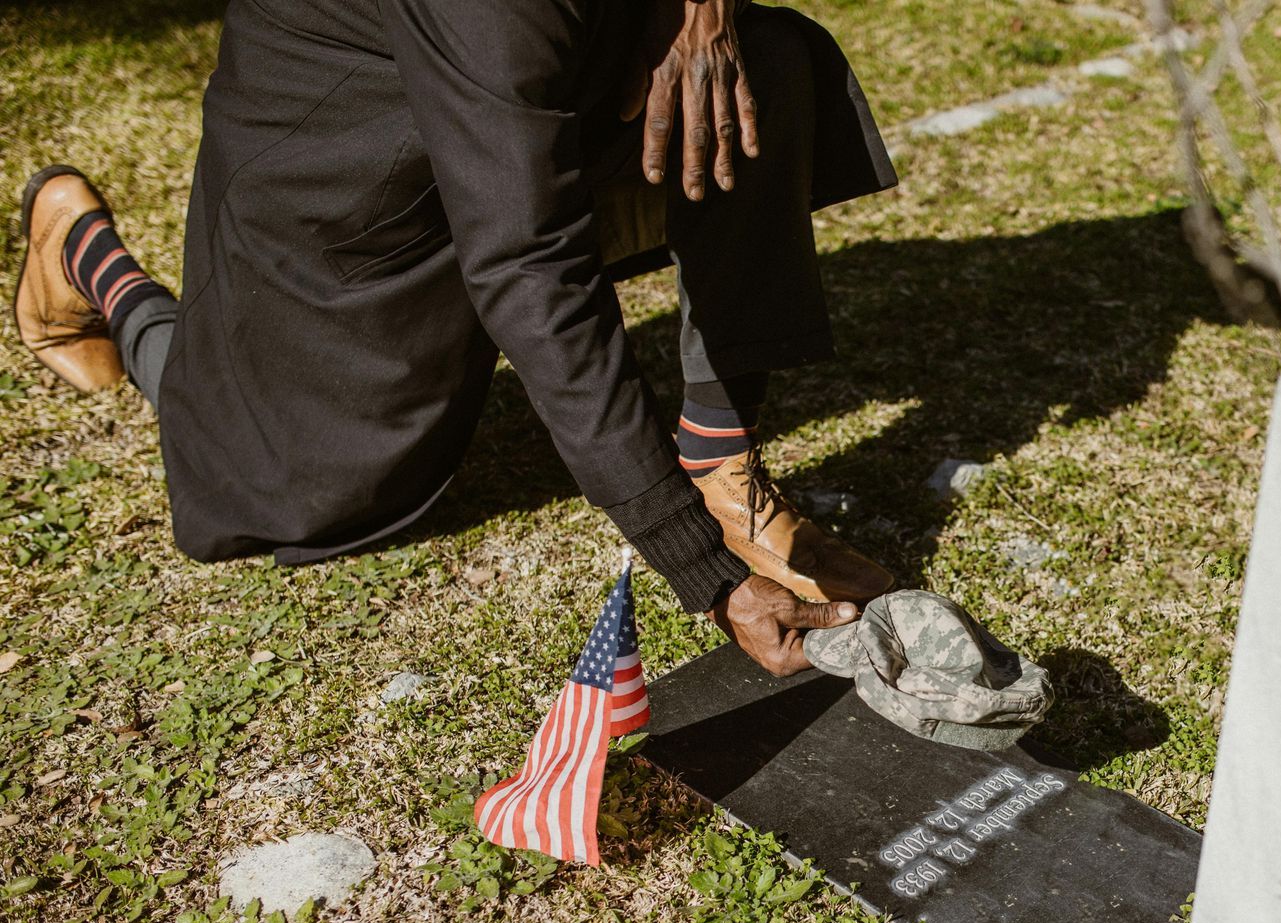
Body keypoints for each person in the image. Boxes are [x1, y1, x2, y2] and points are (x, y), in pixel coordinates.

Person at [11, 0, 897, 676]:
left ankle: (719, 465)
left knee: (757, 63)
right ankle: (90, 262)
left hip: (518, 97)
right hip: (343, 172)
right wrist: (702, 571)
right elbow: (529, 261)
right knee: (288, 486)